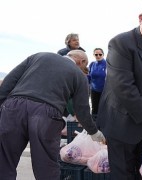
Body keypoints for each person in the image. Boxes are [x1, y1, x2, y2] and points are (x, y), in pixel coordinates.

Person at [0, 50, 106, 180]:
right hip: (46, 114)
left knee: (4, 159)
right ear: (81, 61)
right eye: (85, 65)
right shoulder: (79, 75)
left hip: (14, 108)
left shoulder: (38, 56)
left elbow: (8, 83)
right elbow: (82, 110)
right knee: (46, 165)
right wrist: (94, 132)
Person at [95, 1, 142, 179]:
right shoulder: (121, 43)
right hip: (122, 125)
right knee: (124, 174)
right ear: (141, 18)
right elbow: (123, 86)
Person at [87, 48, 107, 119]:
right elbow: (88, 76)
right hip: (94, 90)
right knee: (94, 108)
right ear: (94, 55)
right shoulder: (92, 64)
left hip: (104, 91)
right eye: (96, 54)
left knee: (104, 108)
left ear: (103, 55)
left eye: (100, 54)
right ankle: (94, 126)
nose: (98, 56)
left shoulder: (107, 64)